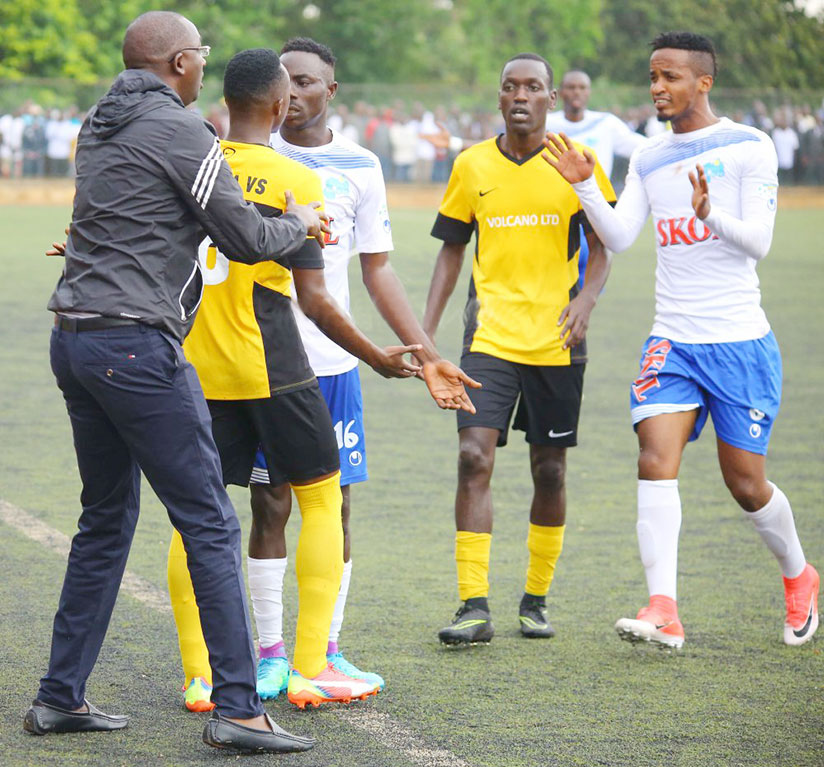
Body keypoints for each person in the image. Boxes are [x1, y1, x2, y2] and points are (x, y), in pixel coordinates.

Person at [25, 11, 330, 755]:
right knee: (209, 521)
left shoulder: (99, 122)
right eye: (200, 56)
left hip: (76, 338)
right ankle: (240, 710)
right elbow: (244, 238)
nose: (203, 67)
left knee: (105, 519)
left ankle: (60, 697)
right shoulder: (183, 130)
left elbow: (138, 219)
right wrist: (301, 222)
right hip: (135, 346)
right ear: (182, 63)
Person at [165, 45, 476, 712]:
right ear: (277, 102)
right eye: (291, 84)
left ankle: (214, 671)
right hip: (279, 363)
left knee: (202, 510)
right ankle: (294, 661)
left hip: (225, 367)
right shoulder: (293, 179)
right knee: (305, 502)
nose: (299, 94)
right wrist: (381, 354)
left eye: (311, 81)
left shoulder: (199, 166)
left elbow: (374, 268)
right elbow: (314, 298)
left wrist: (422, 351)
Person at [543, 31, 819, 649]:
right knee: (653, 459)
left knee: (745, 484)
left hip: (740, 342)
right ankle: (664, 608)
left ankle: (800, 575)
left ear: (703, 81)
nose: (657, 88)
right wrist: (586, 186)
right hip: (672, 340)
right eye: (652, 77)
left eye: (669, 76)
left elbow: (759, 242)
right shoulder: (648, 156)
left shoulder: (750, 145)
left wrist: (709, 215)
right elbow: (619, 237)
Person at [423, 53, 615, 646]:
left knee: (549, 470)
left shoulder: (578, 162)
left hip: (558, 339)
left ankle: (535, 600)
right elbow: (451, 250)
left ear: (552, 98)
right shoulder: (472, 164)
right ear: (500, 96)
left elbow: (605, 245)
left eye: (533, 87)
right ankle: (473, 605)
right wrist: (424, 334)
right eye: (511, 87)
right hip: (488, 339)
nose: (521, 96)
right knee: (472, 457)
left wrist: (586, 301)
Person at [546, 70, 647, 288]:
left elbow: (643, 148)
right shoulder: (546, 124)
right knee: (556, 283)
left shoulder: (606, 124)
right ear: (560, 93)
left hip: (594, 210)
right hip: (556, 211)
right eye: (571, 87)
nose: (577, 92)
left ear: (589, 92)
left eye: (582, 87)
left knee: (590, 280)